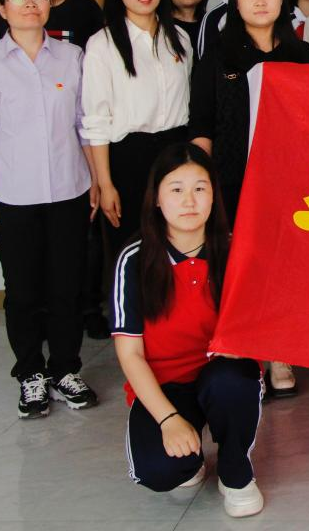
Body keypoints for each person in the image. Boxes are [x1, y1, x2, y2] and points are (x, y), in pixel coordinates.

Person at [0, 0, 100, 418]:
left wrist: (95, 180)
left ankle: (65, 369)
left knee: (67, 286)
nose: (30, 3)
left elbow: (83, 123)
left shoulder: (72, 56)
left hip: (69, 188)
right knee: (22, 290)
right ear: (3, 9)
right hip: (12, 193)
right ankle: (30, 374)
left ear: (49, 4)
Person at [111, 143, 265, 518]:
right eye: (176, 189)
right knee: (159, 471)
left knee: (232, 379)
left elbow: (265, 326)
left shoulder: (236, 251)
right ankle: (190, 458)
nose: (189, 201)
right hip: (165, 383)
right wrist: (168, 420)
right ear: (156, 199)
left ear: (214, 196)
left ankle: (235, 472)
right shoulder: (134, 259)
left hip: (219, 375)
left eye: (200, 188)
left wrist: (244, 345)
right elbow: (130, 355)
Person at [189, 0, 309, 399]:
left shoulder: (301, 54)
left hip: (289, 180)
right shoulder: (218, 55)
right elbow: (202, 125)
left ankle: (279, 353)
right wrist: (204, 184)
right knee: (240, 267)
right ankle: (246, 357)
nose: (260, 1)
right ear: (235, 1)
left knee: (283, 267)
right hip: (233, 178)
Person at [83, 0, 192, 257]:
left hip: (175, 152)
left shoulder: (180, 39)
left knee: (176, 246)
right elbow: (96, 120)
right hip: (128, 158)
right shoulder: (102, 44)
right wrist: (105, 184)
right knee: (132, 248)